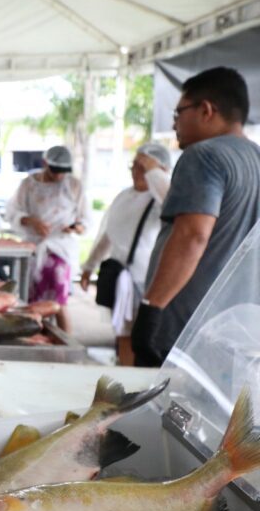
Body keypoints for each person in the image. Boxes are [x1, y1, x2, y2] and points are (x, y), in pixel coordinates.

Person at [132, 67, 260, 366]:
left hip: (187, 330)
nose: (174, 123)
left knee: (160, 411)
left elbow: (192, 236)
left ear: (206, 110)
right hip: (240, 334)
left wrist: (152, 310)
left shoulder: (204, 156)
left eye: (178, 113)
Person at [80, 143, 171, 365]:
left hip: (145, 279)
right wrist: (89, 265)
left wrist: (154, 171)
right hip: (120, 275)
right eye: (135, 166)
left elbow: (169, 196)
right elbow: (108, 234)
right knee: (123, 332)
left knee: (144, 334)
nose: (137, 172)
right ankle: (124, 369)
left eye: (144, 167)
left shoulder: (159, 197)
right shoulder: (124, 196)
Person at [5, 145, 89, 332]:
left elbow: (85, 219)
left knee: (58, 302)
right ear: (45, 164)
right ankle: (34, 335)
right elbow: (12, 212)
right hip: (33, 248)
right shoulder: (29, 184)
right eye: (55, 171)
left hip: (60, 249)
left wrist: (76, 227)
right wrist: (30, 220)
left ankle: (66, 344)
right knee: (31, 299)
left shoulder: (73, 186)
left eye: (63, 172)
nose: (59, 176)